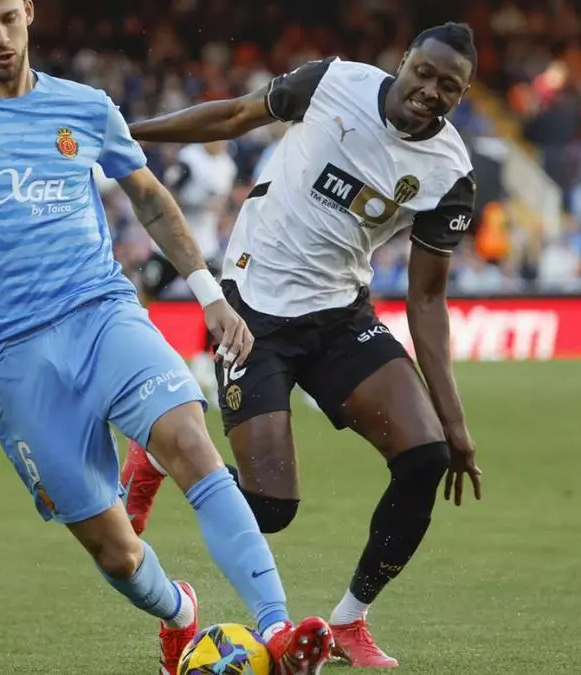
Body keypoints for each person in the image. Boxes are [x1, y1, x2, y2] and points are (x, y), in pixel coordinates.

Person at [0, 1, 333, 673]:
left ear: (29, 12)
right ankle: (179, 612)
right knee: (116, 550)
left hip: (104, 313)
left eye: (9, 18)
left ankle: (277, 629)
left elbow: (150, 197)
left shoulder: (86, 106)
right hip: (14, 355)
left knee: (191, 443)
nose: (1, 37)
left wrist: (210, 295)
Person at [119, 22, 485, 668]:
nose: (431, 90)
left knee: (426, 455)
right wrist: (128, 135)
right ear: (404, 60)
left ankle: (348, 621)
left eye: (449, 86)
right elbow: (235, 116)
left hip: (340, 315)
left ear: (462, 95)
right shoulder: (333, 83)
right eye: (424, 72)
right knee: (271, 507)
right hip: (252, 308)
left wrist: (455, 423)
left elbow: (427, 300)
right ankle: (160, 452)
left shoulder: (450, 172)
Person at [138, 140, 239, 402]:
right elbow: (168, 197)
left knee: (215, 301)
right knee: (145, 297)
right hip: (170, 245)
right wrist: (200, 203)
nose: (221, 142)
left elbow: (222, 205)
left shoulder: (227, 166)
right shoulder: (190, 159)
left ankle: (204, 363)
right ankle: (137, 351)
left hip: (203, 248)